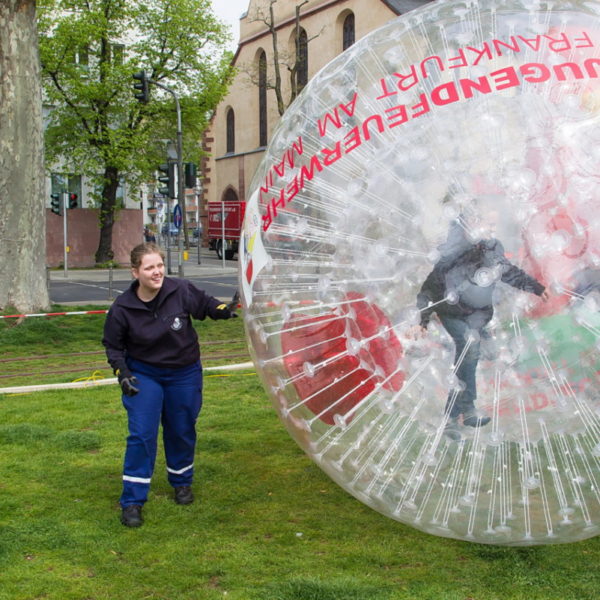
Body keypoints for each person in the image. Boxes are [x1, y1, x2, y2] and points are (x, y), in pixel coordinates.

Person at [102, 242, 239, 527]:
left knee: (182, 428)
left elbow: (207, 305)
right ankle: (133, 501)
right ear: (135, 272)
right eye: (149, 267)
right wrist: (122, 372)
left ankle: (182, 482)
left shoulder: (181, 290)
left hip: (184, 373)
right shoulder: (122, 308)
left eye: (160, 266)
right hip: (144, 375)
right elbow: (113, 347)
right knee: (142, 435)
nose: (157, 272)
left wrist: (225, 310)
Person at [414, 210, 549, 438]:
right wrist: (423, 320)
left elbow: (508, 272)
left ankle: (464, 411)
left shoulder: (491, 248)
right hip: (453, 313)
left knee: (478, 353)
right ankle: (454, 418)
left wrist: (536, 288)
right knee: (470, 349)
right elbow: (429, 288)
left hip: (478, 315)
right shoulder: (453, 252)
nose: (493, 229)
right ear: (472, 225)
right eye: (489, 223)